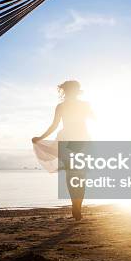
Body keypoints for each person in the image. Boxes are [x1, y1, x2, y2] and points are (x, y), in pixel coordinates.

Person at [32, 80, 93, 220]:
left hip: (74, 140)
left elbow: (54, 126)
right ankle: (77, 206)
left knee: (73, 174)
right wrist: (41, 137)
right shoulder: (79, 105)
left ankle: (76, 205)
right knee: (80, 175)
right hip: (78, 139)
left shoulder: (66, 106)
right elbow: (54, 125)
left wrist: (41, 137)